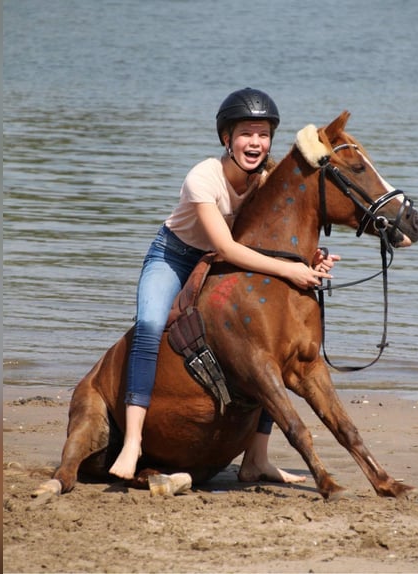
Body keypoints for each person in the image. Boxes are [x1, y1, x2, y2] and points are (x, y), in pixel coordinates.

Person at [109, 87, 340, 482]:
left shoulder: (266, 180)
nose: (256, 142)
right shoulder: (203, 177)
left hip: (220, 261)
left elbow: (275, 240)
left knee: (271, 339)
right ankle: (132, 442)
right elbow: (227, 246)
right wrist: (289, 271)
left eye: (263, 134)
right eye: (246, 133)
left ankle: (259, 457)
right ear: (226, 138)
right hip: (175, 255)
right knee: (148, 327)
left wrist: (309, 259)